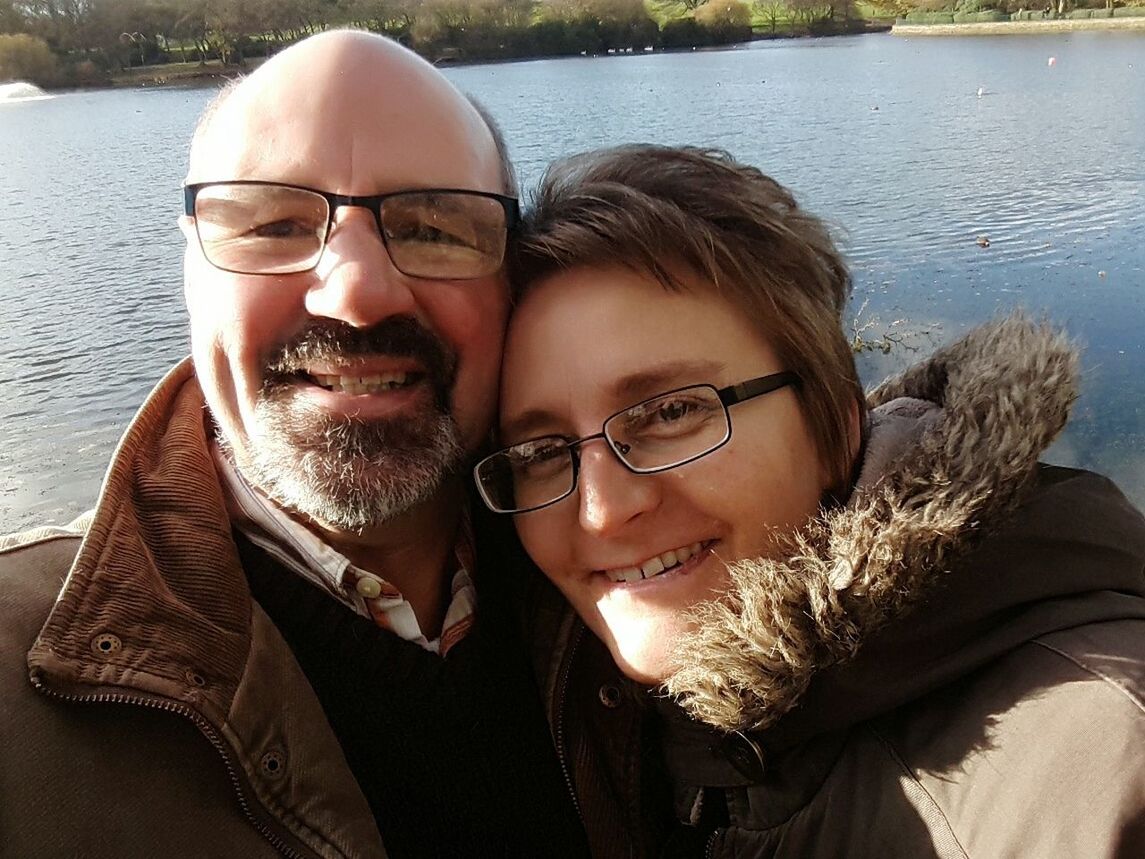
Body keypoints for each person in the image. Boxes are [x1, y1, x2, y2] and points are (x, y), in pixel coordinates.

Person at [0, 31, 588, 858]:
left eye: (433, 228)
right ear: (190, 277)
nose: (355, 292)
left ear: (510, 280)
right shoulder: (17, 690)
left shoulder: (626, 562)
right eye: (273, 223)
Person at [475, 144, 1145, 857]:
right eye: (539, 454)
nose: (603, 509)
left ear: (835, 422)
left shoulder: (1103, 775)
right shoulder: (611, 711)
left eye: (671, 412)